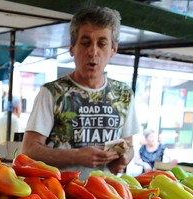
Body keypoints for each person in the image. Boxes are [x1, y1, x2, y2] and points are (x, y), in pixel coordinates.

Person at [22, 5, 140, 179]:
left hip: (108, 195)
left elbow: (128, 143)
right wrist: (77, 156)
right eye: (85, 43)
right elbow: (29, 150)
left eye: (102, 43)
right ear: (72, 48)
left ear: (113, 50)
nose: (93, 51)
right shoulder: (53, 93)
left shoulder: (123, 94)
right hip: (60, 196)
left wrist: (124, 157)